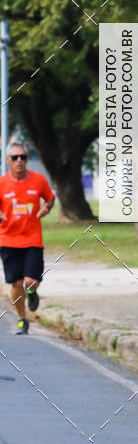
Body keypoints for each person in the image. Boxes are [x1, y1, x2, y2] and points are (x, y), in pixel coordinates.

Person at [0, 142, 55, 334]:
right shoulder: (2, 183)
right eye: (15, 157)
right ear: (8, 160)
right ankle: (22, 319)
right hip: (8, 240)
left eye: (23, 157)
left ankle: (32, 293)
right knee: (16, 284)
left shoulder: (38, 180)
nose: (20, 161)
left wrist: (46, 208)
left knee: (31, 281)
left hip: (32, 239)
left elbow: (50, 198)